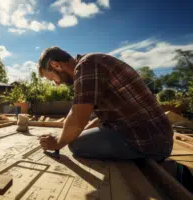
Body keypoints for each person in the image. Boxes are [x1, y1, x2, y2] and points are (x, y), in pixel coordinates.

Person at [38, 46, 173, 161]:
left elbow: (77, 117)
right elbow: (103, 117)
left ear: (56, 65)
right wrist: (76, 132)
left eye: (52, 79)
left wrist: (58, 142)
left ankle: (152, 160)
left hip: (148, 141)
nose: (56, 84)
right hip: (156, 136)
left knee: (76, 145)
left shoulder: (87, 66)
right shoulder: (91, 63)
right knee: (76, 136)